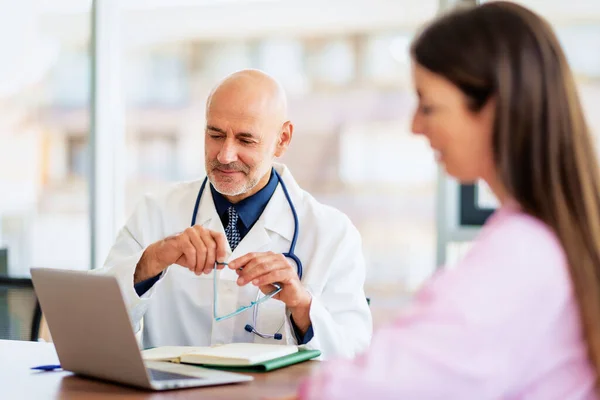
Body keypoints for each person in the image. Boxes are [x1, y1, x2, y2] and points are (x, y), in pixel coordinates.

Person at [277, 2, 600, 399]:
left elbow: (380, 386)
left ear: (494, 108)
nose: (415, 126)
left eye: (428, 106)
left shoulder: (522, 253)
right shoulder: (544, 236)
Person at [96, 69, 372, 359]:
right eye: (215, 135)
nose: (225, 155)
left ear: (282, 139)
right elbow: (92, 324)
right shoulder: (155, 211)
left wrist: (302, 306)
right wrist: (150, 262)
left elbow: (354, 357)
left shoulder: (332, 234)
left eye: (246, 140)